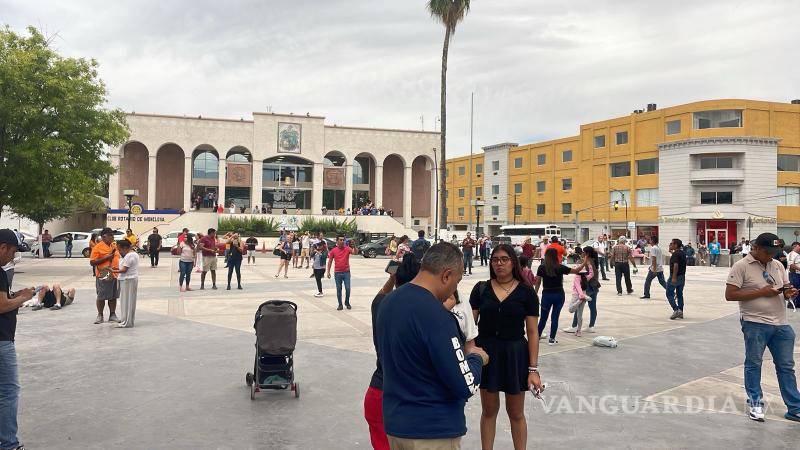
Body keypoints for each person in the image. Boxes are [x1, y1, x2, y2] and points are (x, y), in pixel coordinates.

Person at [377, 242, 489, 449]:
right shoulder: (436, 316)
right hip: (432, 430)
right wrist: (476, 357)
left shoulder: (387, 303)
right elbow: (466, 384)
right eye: (456, 281)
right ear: (446, 275)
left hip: (396, 424)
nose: (454, 291)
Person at [470, 244, 541, 450]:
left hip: (515, 355)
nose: (499, 263)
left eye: (504, 259)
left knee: (516, 412)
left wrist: (533, 370)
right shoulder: (481, 289)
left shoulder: (526, 292)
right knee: (489, 411)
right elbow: (470, 325)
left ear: (513, 262)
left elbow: (533, 332)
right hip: (487, 355)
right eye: (495, 259)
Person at [725, 233, 800, 423]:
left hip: (781, 324)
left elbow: (786, 288)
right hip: (755, 323)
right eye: (767, 252)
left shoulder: (777, 265)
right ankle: (756, 404)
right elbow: (730, 295)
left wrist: (789, 293)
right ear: (756, 248)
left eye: (774, 253)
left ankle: (795, 408)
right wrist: (762, 292)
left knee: (786, 367)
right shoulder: (741, 266)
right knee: (754, 363)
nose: (770, 256)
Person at [365, 254, 421, 449]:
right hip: (408, 397)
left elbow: (380, 295)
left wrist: (392, 277)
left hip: (377, 392)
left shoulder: (381, 306)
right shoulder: (422, 311)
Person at [0, 229, 35, 450]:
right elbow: (1, 306)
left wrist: (14, 295)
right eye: (12, 252)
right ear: (3, 247)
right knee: (9, 391)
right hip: (2, 341)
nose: (12, 257)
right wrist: (23, 298)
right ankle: (8, 443)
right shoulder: (0, 273)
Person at [535, 248, 587, 345]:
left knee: (543, 317)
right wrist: (584, 262)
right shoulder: (560, 267)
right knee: (555, 317)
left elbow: (537, 282)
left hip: (546, 295)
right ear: (556, 256)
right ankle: (552, 339)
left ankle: (537, 337)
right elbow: (576, 271)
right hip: (559, 294)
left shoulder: (542, 267)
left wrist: (535, 294)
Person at [565, 246, 601, 335]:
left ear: (587, 253)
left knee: (578, 307)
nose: (582, 253)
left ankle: (574, 326)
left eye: (583, 252)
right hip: (595, 286)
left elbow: (582, 274)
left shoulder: (584, 262)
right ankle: (591, 326)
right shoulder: (594, 261)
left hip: (586, 287)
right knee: (592, 307)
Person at [90, 228, 120, 324]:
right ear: (103, 237)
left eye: (112, 235)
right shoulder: (97, 247)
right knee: (101, 296)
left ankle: (112, 315)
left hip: (114, 273)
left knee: (113, 295)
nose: (113, 237)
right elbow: (92, 262)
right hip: (104, 273)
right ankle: (100, 315)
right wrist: (107, 257)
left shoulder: (114, 245)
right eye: (110, 235)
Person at [111, 239, 139, 328]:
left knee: (127, 301)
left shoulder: (129, 256)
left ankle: (127, 321)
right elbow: (124, 267)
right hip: (128, 280)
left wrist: (112, 270)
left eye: (119, 249)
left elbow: (124, 270)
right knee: (126, 301)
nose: (119, 252)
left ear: (125, 248)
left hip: (128, 280)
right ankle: (126, 320)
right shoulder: (131, 255)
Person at [327, 235, 358, 310]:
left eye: (343, 240)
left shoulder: (347, 249)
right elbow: (330, 261)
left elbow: (355, 253)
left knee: (348, 288)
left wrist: (354, 246)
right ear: (337, 241)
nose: (342, 241)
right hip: (337, 273)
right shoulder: (334, 250)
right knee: (339, 289)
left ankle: (347, 302)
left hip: (346, 272)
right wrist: (328, 271)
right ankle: (340, 304)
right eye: (340, 240)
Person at [666, 239, 687, 320]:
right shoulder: (682, 253)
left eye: (671, 243)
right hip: (682, 277)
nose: (670, 245)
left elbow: (676, 265)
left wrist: (674, 277)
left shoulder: (675, 254)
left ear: (675, 245)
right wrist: (671, 252)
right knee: (679, 294)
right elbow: (677, 258)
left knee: (669, 293)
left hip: (675, 276)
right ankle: (681, 311)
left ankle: (676, 310)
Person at [641, 235, 666, 299]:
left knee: (648, 281)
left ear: (652, 240)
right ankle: (672, 292)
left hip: (655, 268)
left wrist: (654, 269)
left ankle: (646, 294)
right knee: (662, 282)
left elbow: (654, 259)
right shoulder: (658, 248)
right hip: (660, 268)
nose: (649, 241)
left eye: (650, 240)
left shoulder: (653, 248)